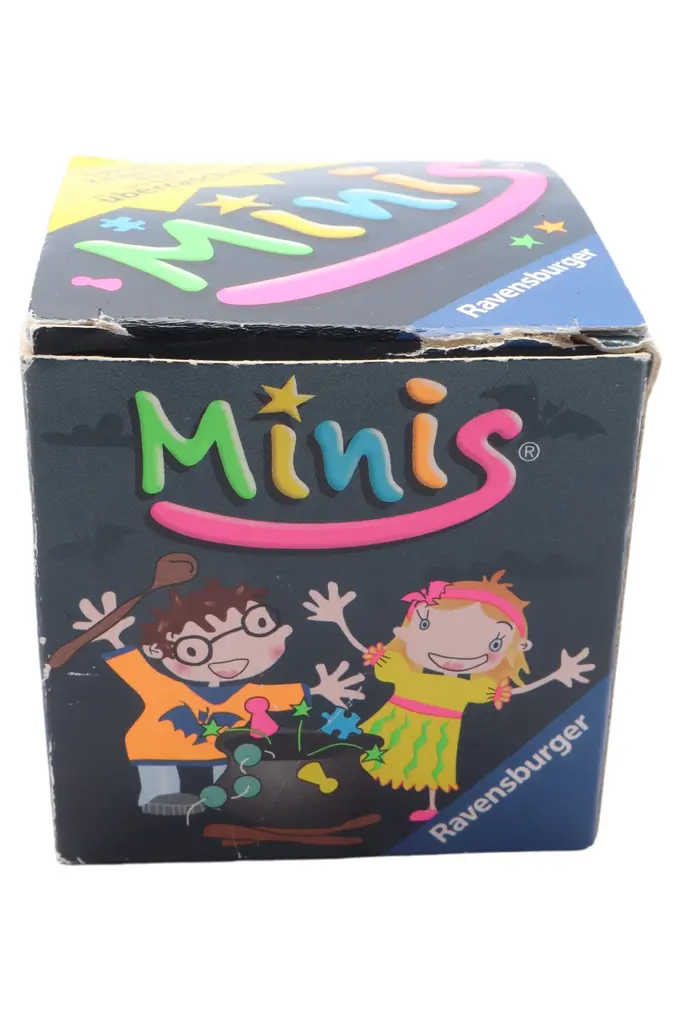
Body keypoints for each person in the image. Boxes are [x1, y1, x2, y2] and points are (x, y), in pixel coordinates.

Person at [304, 573, 593, 822]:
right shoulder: (406, 671)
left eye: (493, 642)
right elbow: (365, 649)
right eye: (432, 628)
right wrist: (339, 619)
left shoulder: (465, 688)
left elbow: (512, 691)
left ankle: (430, 807)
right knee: (368, 751)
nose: (458, 651)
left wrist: (556, 676)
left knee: (429, 767)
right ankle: (336, 781)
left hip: (437, 731)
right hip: (397, 720)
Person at [74, 577, 364, 815]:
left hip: (222, 752)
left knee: (227, 786)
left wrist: (320, 689)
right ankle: (158, 795)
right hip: (159, 746)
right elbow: (135, 669)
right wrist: (113, 637)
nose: (229, 654)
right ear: (159, 651)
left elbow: (280, 695)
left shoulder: (249, 694)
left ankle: (225, 803)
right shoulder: (163, 688)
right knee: (162, 787)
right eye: (193, 649)